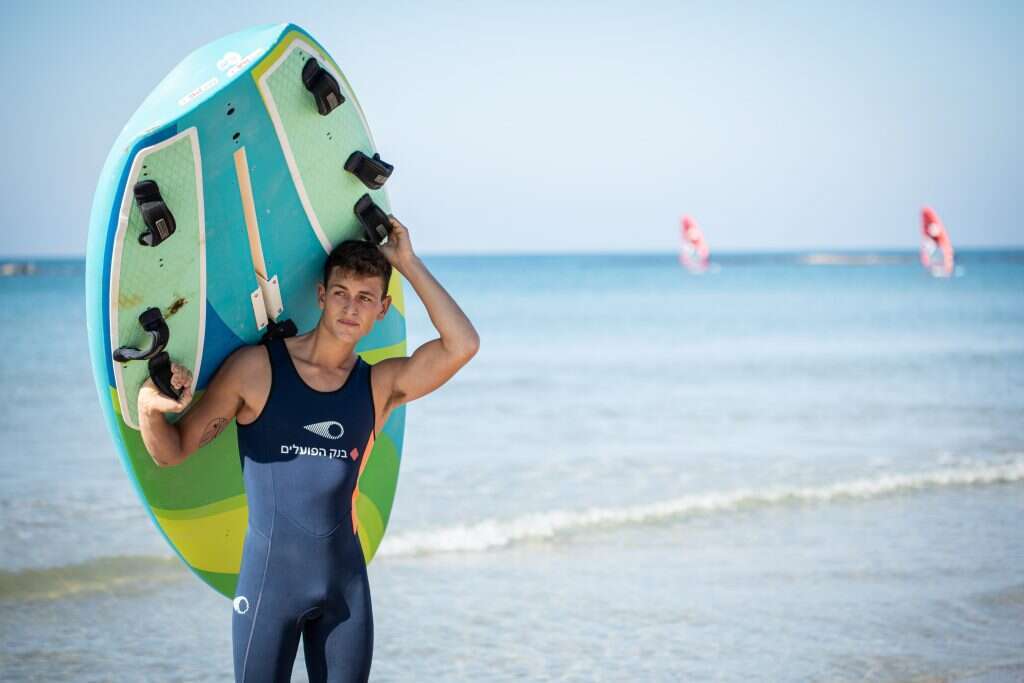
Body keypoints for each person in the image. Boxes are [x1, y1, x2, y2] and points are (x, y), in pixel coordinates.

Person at [136, 216, 479, 682]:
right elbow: (171, 452)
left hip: (346, 594)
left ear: (382, 310)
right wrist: (148, 409)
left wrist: (408, 262)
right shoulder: (256, 370)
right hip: (268, 588)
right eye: (340, 292)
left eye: (365, 298)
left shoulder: (378, 386)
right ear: (321, 295)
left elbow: (462, 345)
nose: (350, 308)